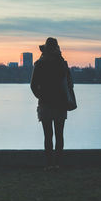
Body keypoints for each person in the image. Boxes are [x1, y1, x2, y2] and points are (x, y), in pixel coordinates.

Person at [30, 37, 74, 170]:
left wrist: (42, 96)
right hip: (60, 103)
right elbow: (69, 83)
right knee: (59, 134)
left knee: (47, 135)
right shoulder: (62, 64)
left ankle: (49, 164)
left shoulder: (40, 63)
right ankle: (58, 164)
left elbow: (33, 86)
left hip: (45, 104)